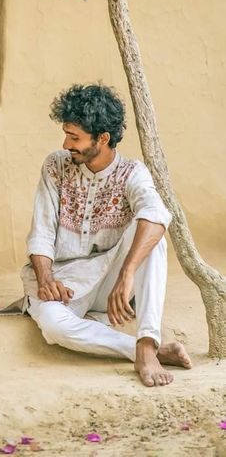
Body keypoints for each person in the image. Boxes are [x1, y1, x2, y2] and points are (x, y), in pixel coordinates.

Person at [21, 83, 192, 387]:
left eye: (74, 137)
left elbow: (156, 214)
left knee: (154, 236)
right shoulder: (55, 166)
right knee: (53, 326)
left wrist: (127, 273)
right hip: (65, 283)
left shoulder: (131, 173)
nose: (66, 143)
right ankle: (143, 351)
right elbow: (42, 231)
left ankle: (147, 340)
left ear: (103, 138)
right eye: (66, 134)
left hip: (111, 282)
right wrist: (46, 280)